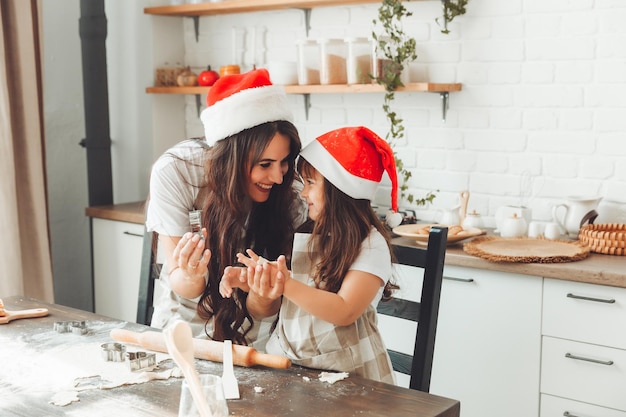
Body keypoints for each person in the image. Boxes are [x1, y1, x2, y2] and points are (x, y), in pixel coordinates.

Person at [221, 126, 399, 383]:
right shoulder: (311, 235)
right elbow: (304, 289)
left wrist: (285, 284)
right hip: (296, 370)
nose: (303, 193)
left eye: (311, 183)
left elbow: (344, 309)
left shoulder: (371, 245)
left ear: (341, 189)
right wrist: (260, 277)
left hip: (353, 381)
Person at [145, 68, 306, 348]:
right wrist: (191, 274)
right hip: (185, 325)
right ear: (232, 158)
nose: (278, 178)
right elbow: (182, 284)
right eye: (265, 165)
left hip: (257, 334)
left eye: (283, 163)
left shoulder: (290, 194)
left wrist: (261, 292)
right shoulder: (178, 172)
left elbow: (271, 305)